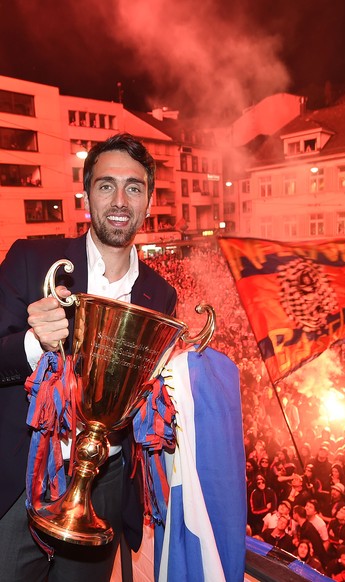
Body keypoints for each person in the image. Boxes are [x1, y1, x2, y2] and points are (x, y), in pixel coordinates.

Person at [0, 133, 178, 581]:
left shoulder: (162, 295)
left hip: (105, 486)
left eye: (134, 187)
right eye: (106, 185)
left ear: (149, 200)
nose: (120, 200)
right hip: (22, 481)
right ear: (87, 196)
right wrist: (31, 342)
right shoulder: (31, 259)